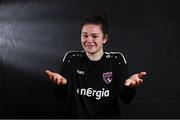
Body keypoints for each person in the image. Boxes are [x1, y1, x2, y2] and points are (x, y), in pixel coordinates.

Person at [45, 11, 146, 118]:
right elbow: (62, 98)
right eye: (85, 35)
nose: (89, 40)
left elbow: (126, 99)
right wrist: (61, 85)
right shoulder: (71, 58)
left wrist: (130, 87)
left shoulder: (116, 60)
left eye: (94, 36)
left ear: (105, 38)